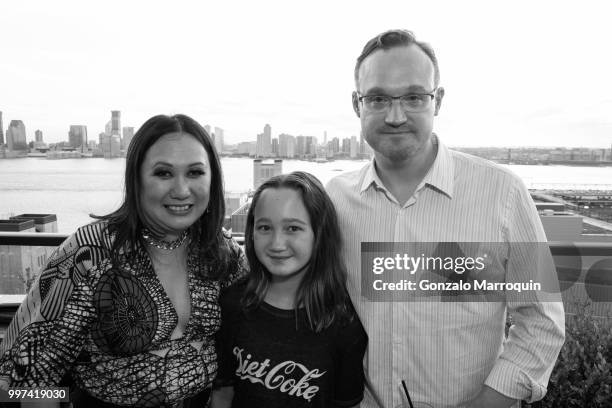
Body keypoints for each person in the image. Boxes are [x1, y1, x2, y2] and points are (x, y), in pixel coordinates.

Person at [326, 30, 565, 408]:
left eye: (414, 97)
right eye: (377, 98)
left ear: (437, 100)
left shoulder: (503, 193)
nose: (395, 115)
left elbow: (542, 321)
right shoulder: (335, 199)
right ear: (357, 105)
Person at [0, 114, 248, 407]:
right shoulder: (90, 253)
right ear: (136, 179)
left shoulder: (222, 252)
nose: (181, 190)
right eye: (163, 173)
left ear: (212, 178)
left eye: (195, 172)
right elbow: (33, 381)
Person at [211, 171, 367, 408]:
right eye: (264, 228)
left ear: (320, 233)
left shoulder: (343, 321)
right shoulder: (232, 304)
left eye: (293, 228)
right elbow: (223, 394)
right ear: (252, 232)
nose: (276, 244)